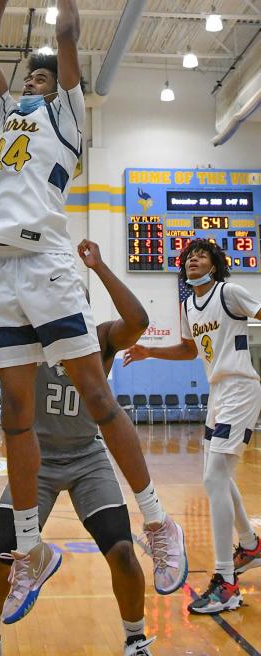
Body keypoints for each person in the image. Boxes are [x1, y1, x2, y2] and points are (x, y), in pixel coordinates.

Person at [0, 0, 186, 622]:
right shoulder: (6, 117)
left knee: (95, 392)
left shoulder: (64, 118)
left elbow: (65, 33)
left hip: (46, 260)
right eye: (28, 76)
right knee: (15, 411)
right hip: (0, 266)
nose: (32, 80)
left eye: (40, 76)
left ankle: (155, 520)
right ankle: (31, 549)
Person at [0, 240, 155, 656]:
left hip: (88, 458)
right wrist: (10, 256)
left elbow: (138, 319)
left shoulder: (99, 338)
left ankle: (136, 640)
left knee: (122, 553)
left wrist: (100, 267)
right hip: (36, 462)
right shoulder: (24, 336)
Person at [124, 238, 261, 615]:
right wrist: (150, 351)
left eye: (201, 256)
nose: (193, 260)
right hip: (217, 393)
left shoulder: (229, 292)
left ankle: (226, 582)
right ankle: (249, 544)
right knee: (217, 475)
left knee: (215, 478)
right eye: (188, 257)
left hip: (241, 387)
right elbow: (189, 349)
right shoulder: (187, 305)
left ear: (214, 265)